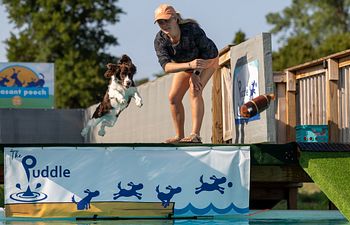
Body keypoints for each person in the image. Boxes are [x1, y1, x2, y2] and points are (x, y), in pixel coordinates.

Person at [153, 4, 219, 143]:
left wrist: (196, 73)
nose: (164, 25)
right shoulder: (160, 40)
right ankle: (179, 136)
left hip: (209, 60)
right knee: (173, 97)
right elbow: (166, 66)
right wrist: (190, 66)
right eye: (160, 22)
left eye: (167, 20)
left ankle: (195, 135)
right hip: (188, 65)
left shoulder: (191, 30)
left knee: (194, 89)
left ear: (176, 19)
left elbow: (208, 53)